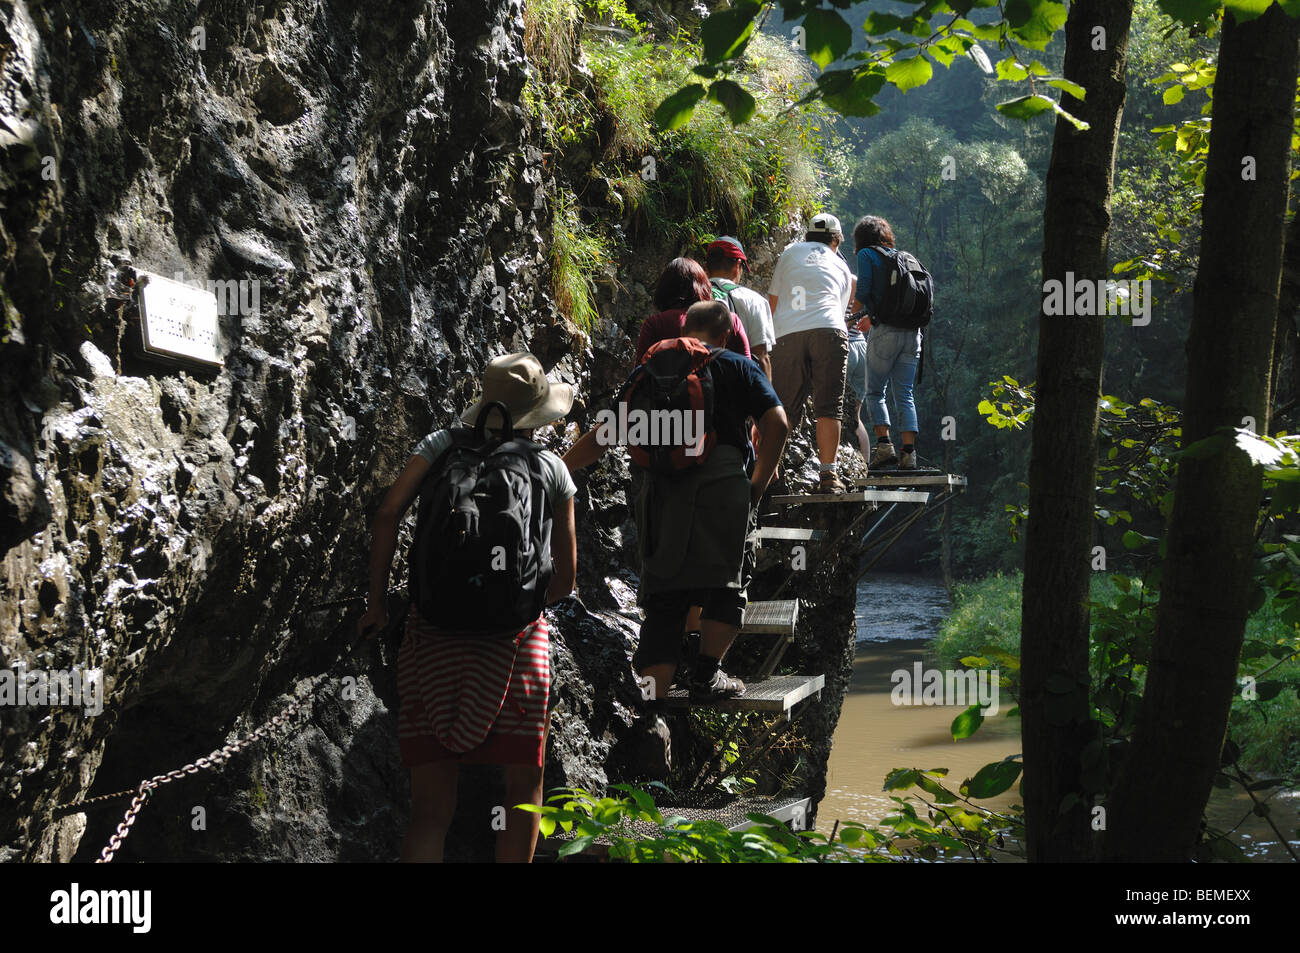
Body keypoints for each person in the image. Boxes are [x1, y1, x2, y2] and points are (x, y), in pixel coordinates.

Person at [357, 353, 578, 863]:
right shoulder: (551, 469)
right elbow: (566, 580)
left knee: (431, 809)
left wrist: (377, 606)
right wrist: (519, 601)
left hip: (431, 635)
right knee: (523, 795)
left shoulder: (439, 447)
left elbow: (388, 513)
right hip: (517, 647)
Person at [564, 301, 789, 730]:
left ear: (685, 327)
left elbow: (607, 432)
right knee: (725, 585)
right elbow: (777, 424)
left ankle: (651, 714)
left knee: (665, 598)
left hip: (660, 488)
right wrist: (756, 488)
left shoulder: (654, 367)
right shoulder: (738, 367)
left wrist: (559, 466)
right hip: (724, 486)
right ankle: (707, 674)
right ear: (725, 335)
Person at [766, 213, 856, 494]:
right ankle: (828, 476)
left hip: (787, 333)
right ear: (835, 240)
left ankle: (769, 470)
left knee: (784, 406)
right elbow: (840, 314)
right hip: (828, 331)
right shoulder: (840, 265)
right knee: (829, 407)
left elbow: (772, 302)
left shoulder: (790, 252)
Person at [852, 215, 921, 470]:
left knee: (875, 391)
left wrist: (849, 317)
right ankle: (909, 454)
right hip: (913, 334)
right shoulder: (901, 256)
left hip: (886, 333)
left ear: (861, 237)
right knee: (905, 393)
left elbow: (864, 290)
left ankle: (884, 447)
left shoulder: (867, 255)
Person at [635, 257, 750, 365]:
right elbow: (748, 367)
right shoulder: (730, 320)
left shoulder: (655, 324)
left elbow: (639, 374)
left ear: (664, 290)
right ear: (704, 286)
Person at [706, 236, 775, 380]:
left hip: (699, 387)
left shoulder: (694, 295)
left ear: (706, 267)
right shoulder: (754, 300)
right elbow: (761, 357)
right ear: (738, 265)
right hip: (738, 386)